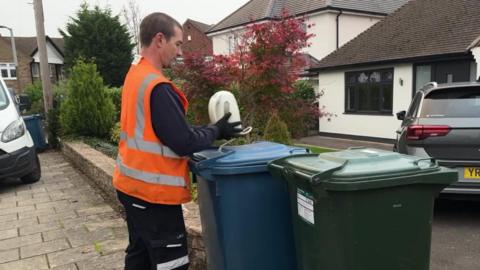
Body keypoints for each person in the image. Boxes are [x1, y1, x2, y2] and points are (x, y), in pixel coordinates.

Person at [112, 12, 242, 270]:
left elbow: (163, 130)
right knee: (171, 263)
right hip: (153, 194)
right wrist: (216, 130)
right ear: (160, 40)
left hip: (131, 186)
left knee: (140, 257)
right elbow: (182, 142)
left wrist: (209, 130)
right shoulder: (157, 86)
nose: (180, 52)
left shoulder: (135, 74)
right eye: (178, 44)